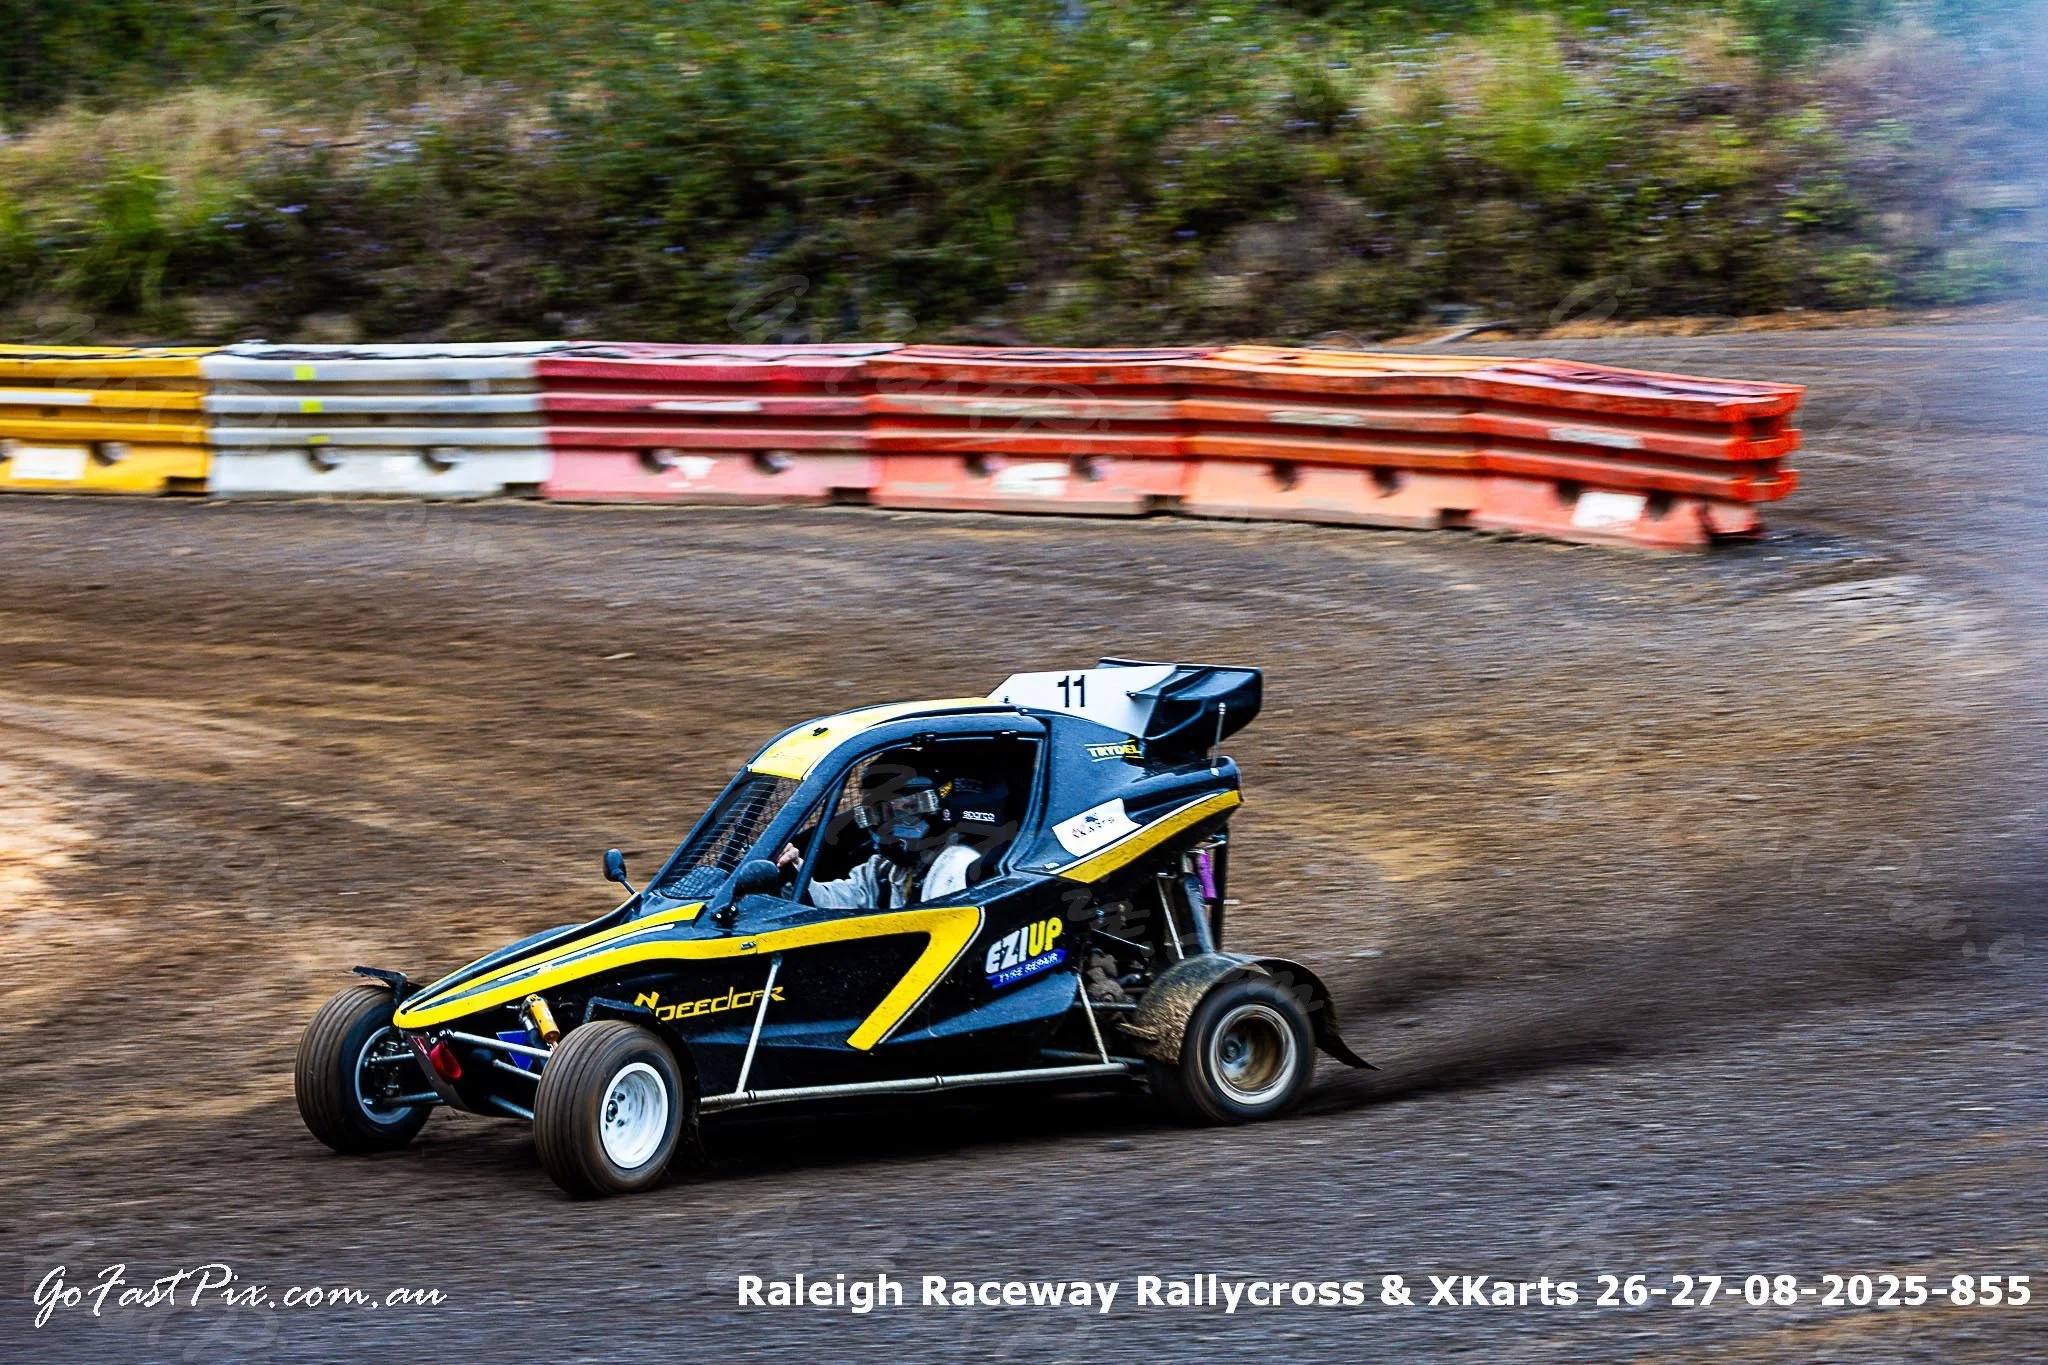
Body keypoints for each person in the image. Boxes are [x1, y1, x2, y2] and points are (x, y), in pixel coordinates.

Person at [779, 754, 996, 910]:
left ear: (937, 806)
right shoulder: (883, 869)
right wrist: (794, 870)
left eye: (907, 809)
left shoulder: (956, 864)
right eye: (880, 813)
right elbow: (835, 901)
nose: (891, 825)